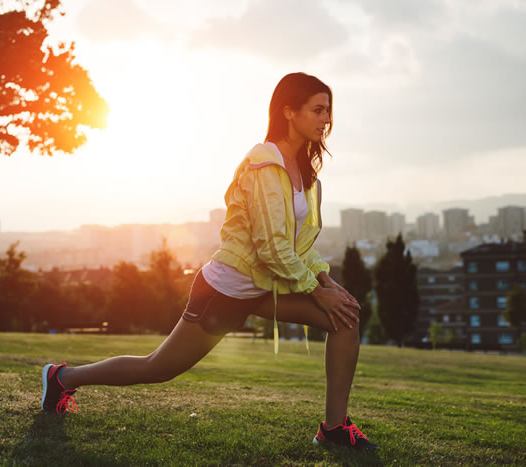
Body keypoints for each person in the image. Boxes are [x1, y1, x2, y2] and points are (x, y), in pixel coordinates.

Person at [41, 72, 378, 451]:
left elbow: (299, 245)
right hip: (227, 290)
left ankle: (333, 428)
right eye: (318, 110)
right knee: (159, 368)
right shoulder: (265, 165)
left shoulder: (304, 170)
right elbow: (271, 248)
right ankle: (63, 378)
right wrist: (318, 290)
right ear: (288, 111)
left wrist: (326, 283)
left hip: (266, 286)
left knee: (345, 317)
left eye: (328, 110)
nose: (326, 119)